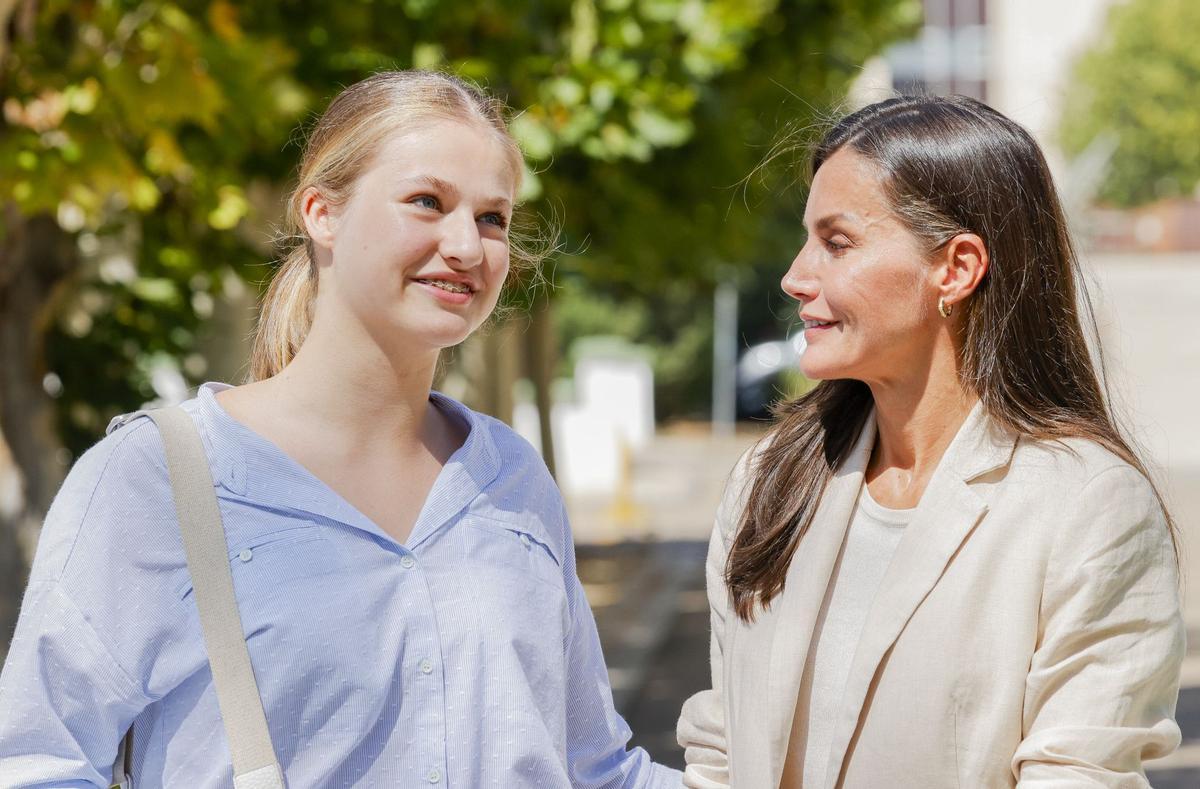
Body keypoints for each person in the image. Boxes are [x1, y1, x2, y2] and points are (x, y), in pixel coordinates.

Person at [0, 70, 680, 788]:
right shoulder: (156, 478)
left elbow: (596, 768)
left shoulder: (511, 477)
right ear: (322, 213)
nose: (468, 247)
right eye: (427, 201)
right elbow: (37, 761)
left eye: (492, 218)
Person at [676, 94, 1185, 788]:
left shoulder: (1090, 508)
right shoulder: (769, 478)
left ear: (956, 267)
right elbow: (721, 751)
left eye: (837, 242)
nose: (796, 276)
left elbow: (1080, 773)